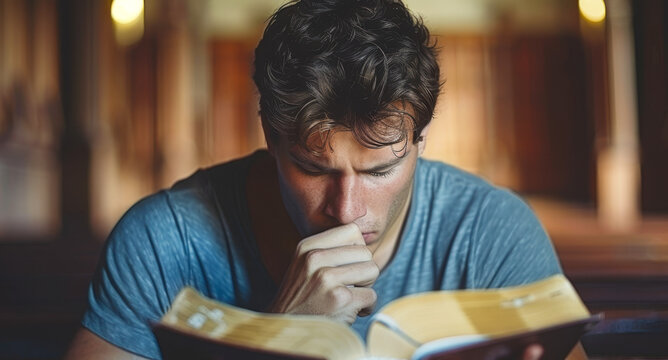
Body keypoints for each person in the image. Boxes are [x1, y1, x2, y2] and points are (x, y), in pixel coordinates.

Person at [65, 0, 568, 359]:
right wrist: (278, 338)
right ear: (270, 136)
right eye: (313, 168)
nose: (347, 210)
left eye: (381, 170)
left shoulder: (494, 231)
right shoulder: (162, 238)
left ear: (421, 139)